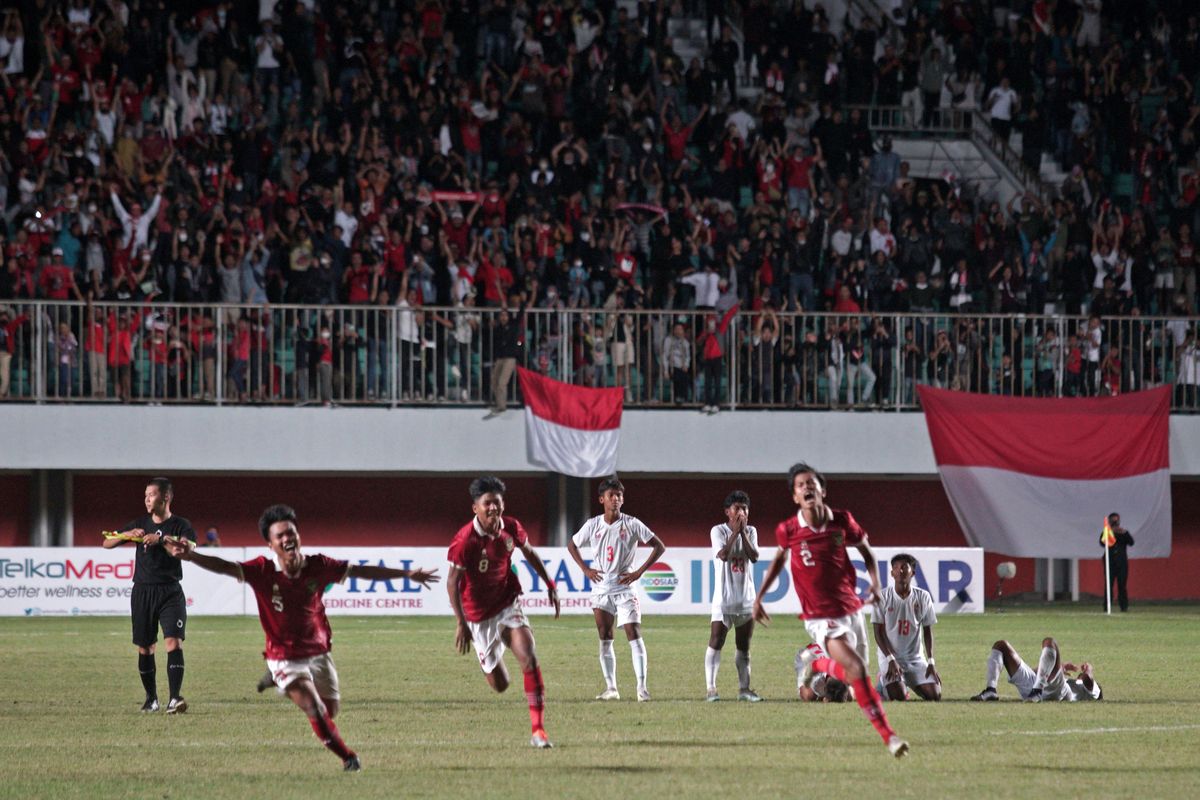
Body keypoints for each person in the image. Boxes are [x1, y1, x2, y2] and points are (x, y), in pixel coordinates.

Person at [164, 504, 440, 771]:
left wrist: (406, 574)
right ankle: (349, 759)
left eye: (290, 532)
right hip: (283, 656)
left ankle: (279, 682)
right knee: (314, 707)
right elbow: (224, 566)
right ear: (270, 545)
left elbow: (359, 571)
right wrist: (191, 556)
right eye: (280, 535)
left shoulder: (319, 565)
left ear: (298, 535)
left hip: (318, 651)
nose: (287, 538)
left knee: (330, 710)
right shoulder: (262, 570)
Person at [753, 463, 909, 757]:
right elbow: (777, 561)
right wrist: (759, 597)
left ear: (823, 490)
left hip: (851, 609)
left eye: (812, 483)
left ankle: (814, 664)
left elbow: (867, 553)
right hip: (819, 616)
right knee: (857, 668)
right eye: (800, 485)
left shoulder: (842, 520)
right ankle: (890, 737)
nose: (807, 487)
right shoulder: (789, 530)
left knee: (854, 679)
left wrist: (875, 585)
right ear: (795, 497)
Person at [446, 476, 561, 749]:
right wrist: (461, 623)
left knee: (528, 656)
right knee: (501, 685)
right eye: (487, 504)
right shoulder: (465, 540)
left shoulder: (511, 527)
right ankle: (491, 659)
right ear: (476, 508)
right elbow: (452, 583)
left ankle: (538, 731)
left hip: (508, 603)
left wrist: (550, 584)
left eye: (497, 503)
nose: (493, 509)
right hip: (477, 617)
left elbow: (530, 553)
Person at [102, 478, 196, 714]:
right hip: (142, 591)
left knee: (173, 641)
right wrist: (126, 534)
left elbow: (187, 548)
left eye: (151, 495)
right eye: (145, 495)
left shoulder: (181, 525)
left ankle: (174, 699)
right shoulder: (140, 523)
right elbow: (106, 543)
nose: (146, 499)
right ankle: (151, 699)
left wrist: (161, 538)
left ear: (166, 497)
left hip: (170, 592)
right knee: (145, 648)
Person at [568, 476, 666, 702]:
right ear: (602, 499)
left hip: (624, 590)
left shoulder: (632, 524)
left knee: (633, 633)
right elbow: (572, 544)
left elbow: (659, 546)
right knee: (605, 636)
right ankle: (611, 688)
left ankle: (642, 688)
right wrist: (585, 569)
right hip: (601, 589)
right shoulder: (593, 525)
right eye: (612, 495)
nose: (616, 499)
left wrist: (638, 572)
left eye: (619, 495)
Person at [704, 490, 762, 702]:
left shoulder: (752, 531)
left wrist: (743, 532)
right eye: (737, 508)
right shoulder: (718, 531)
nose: (742, 512)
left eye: (745, 508)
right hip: (724, 600)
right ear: (727, 512)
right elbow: (724, 555)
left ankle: (744, 689)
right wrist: (735, 533)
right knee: (716, 641)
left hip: (746, 600)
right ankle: (711, 689)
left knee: (743, 646)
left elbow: (754, 557)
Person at [872, 553, 941, 701]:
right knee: (899, 697)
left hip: (915, 659)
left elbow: (927, 631)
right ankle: (882, 683)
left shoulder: (923, 597)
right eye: (896, 568)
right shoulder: (882, 597)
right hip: (890, 659)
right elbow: (878, 632)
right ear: (892, 573)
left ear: (913, 573)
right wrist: (890, 659)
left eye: (904, 567)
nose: (900, 571)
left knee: (935, 695)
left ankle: (908, 680)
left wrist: (931, 662)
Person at [969, 637, 1103, 702]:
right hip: (1034, 686)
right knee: (1001, 645)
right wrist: (1059, 667)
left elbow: (1088, 680)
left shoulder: (1091, 690)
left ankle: (1037, 693)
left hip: (1059, 694)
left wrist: (1089, 669)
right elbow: (1036, 673)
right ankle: (991, 691)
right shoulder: (1068, 680)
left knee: (1050, 642)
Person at [1101, 512, 1135, 612]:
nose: (1116, 523)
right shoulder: (1107, 532)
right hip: (1109, 561)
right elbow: (1102, 542)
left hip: (1121, 562)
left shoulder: (1123, 532)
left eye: (1117, 521)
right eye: (1113, 521)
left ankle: (1123, 606)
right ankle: (1107, 606)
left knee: (1122, 585)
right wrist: (1110, 533)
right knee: (1108, 584)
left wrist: (1124, 533)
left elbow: (1131, 542)